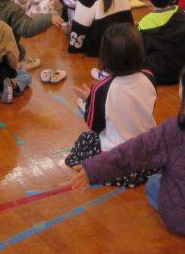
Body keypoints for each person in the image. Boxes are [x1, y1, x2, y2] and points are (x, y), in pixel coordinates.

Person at [71, 59, 185, 238]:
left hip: (181, 221)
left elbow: (133, 151)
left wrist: (93, 169)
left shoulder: (175, 129)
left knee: (154, 182)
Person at [65, 23, 157, 186]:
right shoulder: (149, 76)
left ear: (106, 57)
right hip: (148, 155)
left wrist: (90, 101)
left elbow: (95, 125)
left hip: (118, 159)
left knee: (86, 139)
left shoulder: (102, 88)